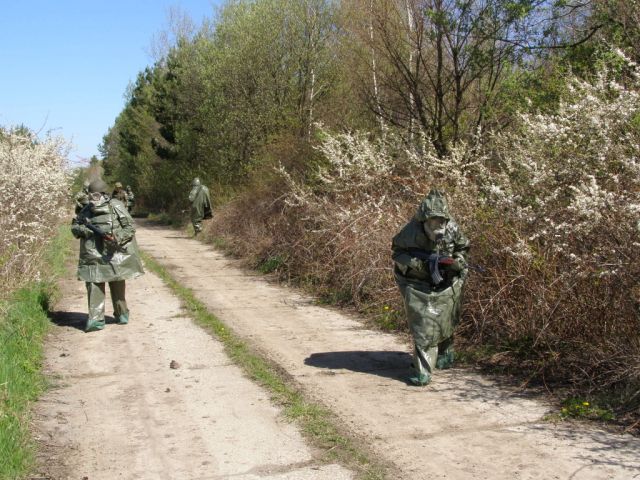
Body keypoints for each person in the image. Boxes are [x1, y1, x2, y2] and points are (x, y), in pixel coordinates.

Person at [391, 189, 470, 386]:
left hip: (447, 280)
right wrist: (419, 264)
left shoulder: (453, 229)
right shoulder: (411, 232)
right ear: (424, 221)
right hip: (416, 282)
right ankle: (423, 372)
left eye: (441, 221)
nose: (438, 226)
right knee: (423, 325)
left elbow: (463, 248)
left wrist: (455, 262)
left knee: (446, 316)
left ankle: (445, 356)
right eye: (433, 221)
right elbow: (397, 252)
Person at [71, 178, 144, 332]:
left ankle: (121, 314)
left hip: (114, 253)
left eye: (97, 195)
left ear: (105, 194)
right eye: (91, 195)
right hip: (92, 254)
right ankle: (96, 320)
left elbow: (129, 227)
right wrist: (87, 231)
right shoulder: (86, 210)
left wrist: (116, 237)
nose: (94, 199)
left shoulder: (116, 206)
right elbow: (75, 227)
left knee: (117, 284)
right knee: (94, 283)